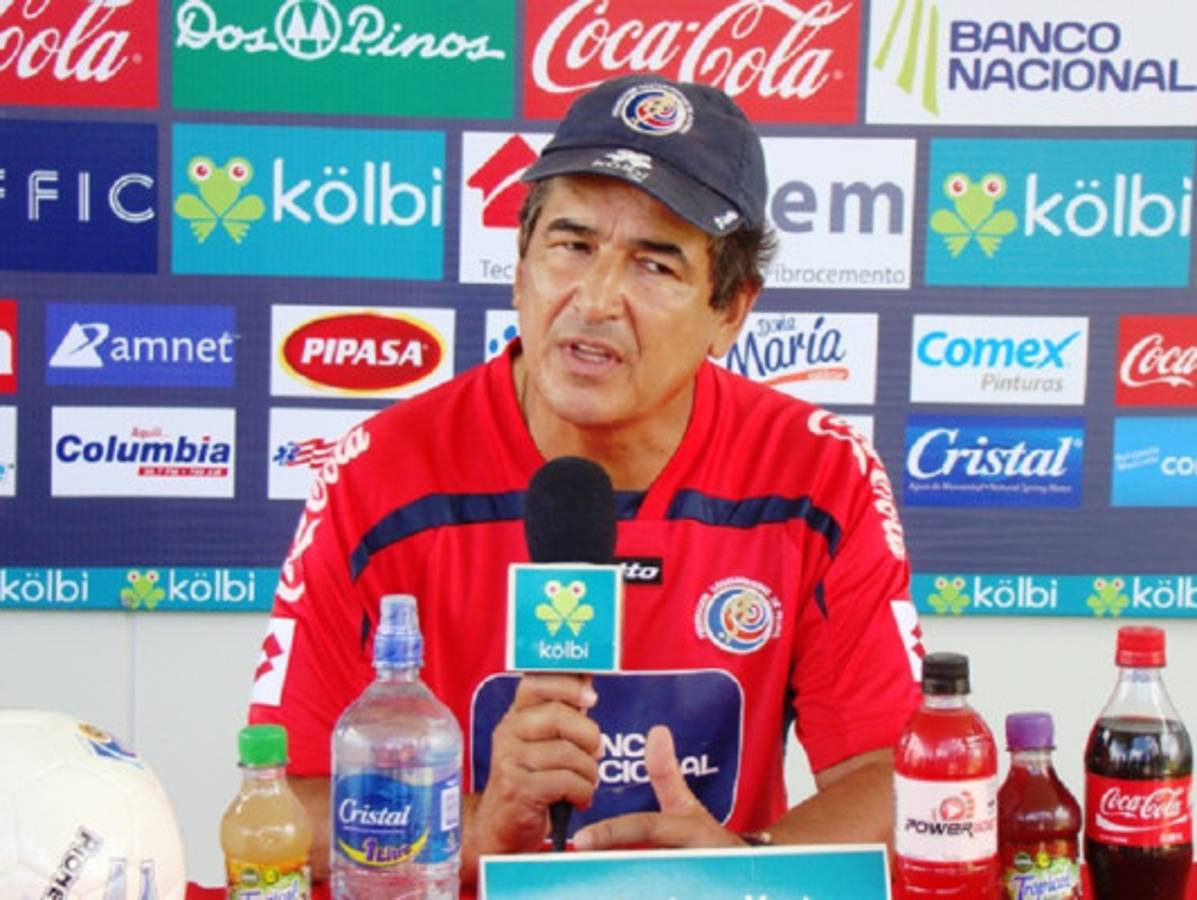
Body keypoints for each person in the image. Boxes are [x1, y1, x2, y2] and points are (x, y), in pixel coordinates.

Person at [248, 74, 924, 891]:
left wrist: (744, 870)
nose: (596, 300)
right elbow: (281, 811)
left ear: (730, 311)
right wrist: (471, 826)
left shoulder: (818, 473)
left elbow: (897, 778)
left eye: (655, 264)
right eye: (570, 246)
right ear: (519, 267)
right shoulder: (380, 472)